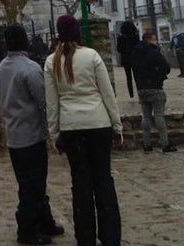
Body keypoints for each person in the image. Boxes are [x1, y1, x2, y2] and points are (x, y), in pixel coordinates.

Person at [45, 15, 123, 246]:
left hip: (72, 127)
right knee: (103, 180)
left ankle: (85, 237)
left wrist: (54, 134)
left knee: (80, 184)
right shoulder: (92, 56)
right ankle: (110, 237)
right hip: (98, 124)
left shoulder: (51, 62)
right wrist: (117, 125)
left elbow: (52, 103)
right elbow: (107, 93)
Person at [0, 24, 64, 245]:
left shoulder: (1, 68)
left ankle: (45, 221)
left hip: (14, 135)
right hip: (32, 135)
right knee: (33, 185)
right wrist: (53, 129)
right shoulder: (30, 68)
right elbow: (44, 101)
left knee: (29, 182)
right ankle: (27, 230)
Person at [131, 31, 177, 153]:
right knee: (158, 115)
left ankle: (147, 143)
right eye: (155, 39)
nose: (156, 42)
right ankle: (165, 143)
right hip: (155, 86)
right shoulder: (154, 52)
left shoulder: (135, 53)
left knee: (145, 116)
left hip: (141, 88)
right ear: (150, 40)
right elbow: (166, 68)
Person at [115, 21, 140, 99]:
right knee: (137, 76)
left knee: (128, 77)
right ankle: (140, 92)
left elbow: (119, 49)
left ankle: (131, 94)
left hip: (125, 59)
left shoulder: (120, 38)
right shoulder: (136, 36)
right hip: (135, 58)